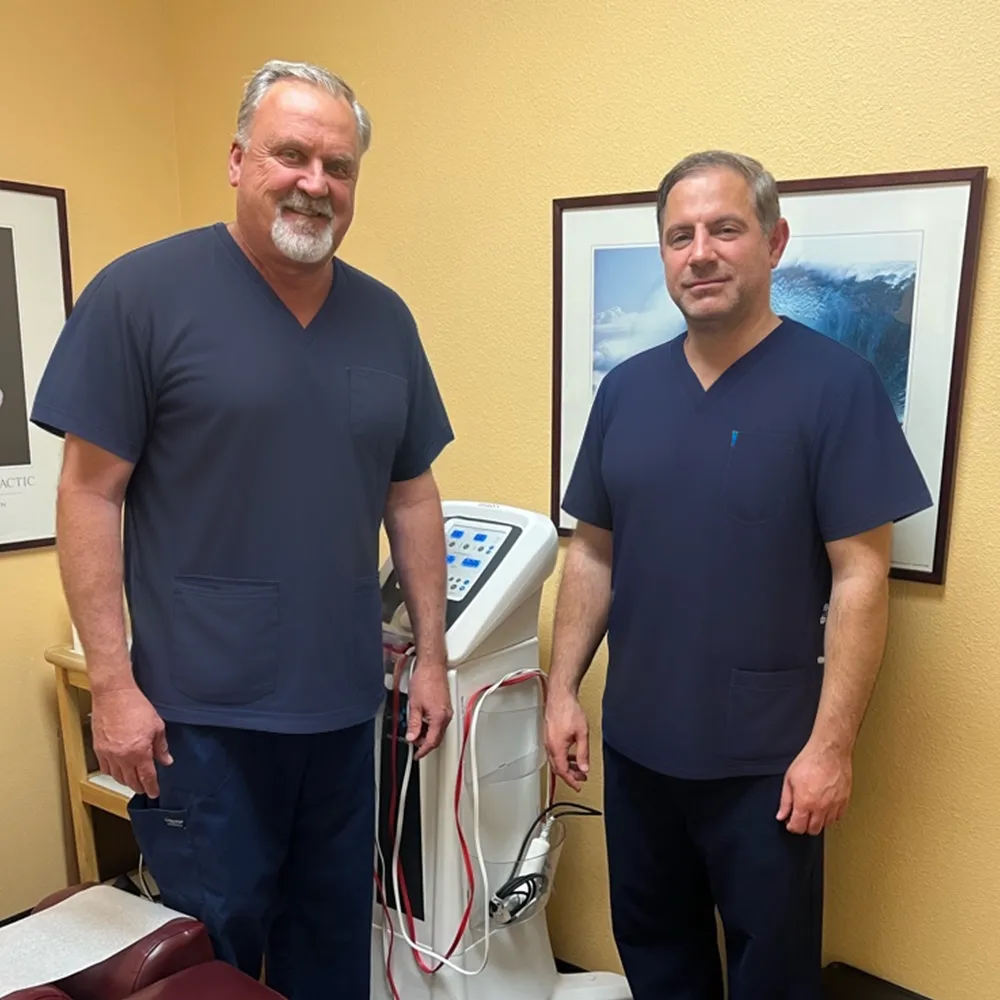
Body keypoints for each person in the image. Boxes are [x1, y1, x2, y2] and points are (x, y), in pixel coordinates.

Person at [31, 59, 455, 998]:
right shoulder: (140, 296)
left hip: (345, 713)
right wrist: (112, 685)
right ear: (236, 160)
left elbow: (413, 493)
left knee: (333, 945)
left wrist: (431, 656)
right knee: (211, 957)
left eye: (337, 165)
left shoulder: (384, 320)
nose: (314, 183)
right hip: (199, 722)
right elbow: (89, 494)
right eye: (290, 155)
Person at [543, 150, 933, 1000]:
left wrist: (831, 750)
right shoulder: (628, 392)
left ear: (773, 242)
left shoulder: (837, 387)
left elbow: (862, 579)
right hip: (640, 745)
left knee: (773, 973)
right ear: (664, 256)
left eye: (725, 229)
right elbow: (594, 552)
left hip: (769, 762)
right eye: (680, 236)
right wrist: (562, 690)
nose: (701, 252)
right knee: (655, 951)